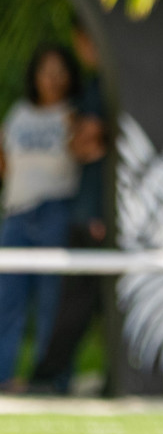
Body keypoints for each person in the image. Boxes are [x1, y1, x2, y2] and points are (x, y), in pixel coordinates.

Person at [0, 44, 95, 389]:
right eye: (46, 71)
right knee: (6, 300)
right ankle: (4, 377)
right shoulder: (19, 114)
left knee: (52, 301)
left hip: (56, 210)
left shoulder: (75, 114)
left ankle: (49, 381)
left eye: (60, 71)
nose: (52, 79)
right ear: (34, 76)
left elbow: (89, 151)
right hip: (16, 212)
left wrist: (76, 132)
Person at [29, 19, 108, 394]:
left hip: (99, 215)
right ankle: (51, 377)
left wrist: (83, 137)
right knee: (78, 301)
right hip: (93, 213)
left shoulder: (105, 87)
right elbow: (84, 143)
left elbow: (83, 142)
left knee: (78, 303)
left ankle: (49, 378)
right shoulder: (97, 86)